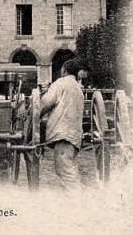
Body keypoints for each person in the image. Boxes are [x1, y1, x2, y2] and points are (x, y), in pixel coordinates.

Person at [37, 58, 85, 192]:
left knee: (65, 171)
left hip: (63, 134)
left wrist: (36, 116)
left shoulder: (61, 83)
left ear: (64, 70)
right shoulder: (77, 88)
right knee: (68, 168)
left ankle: (77, 203)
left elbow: (46, 102)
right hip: (73, 135)